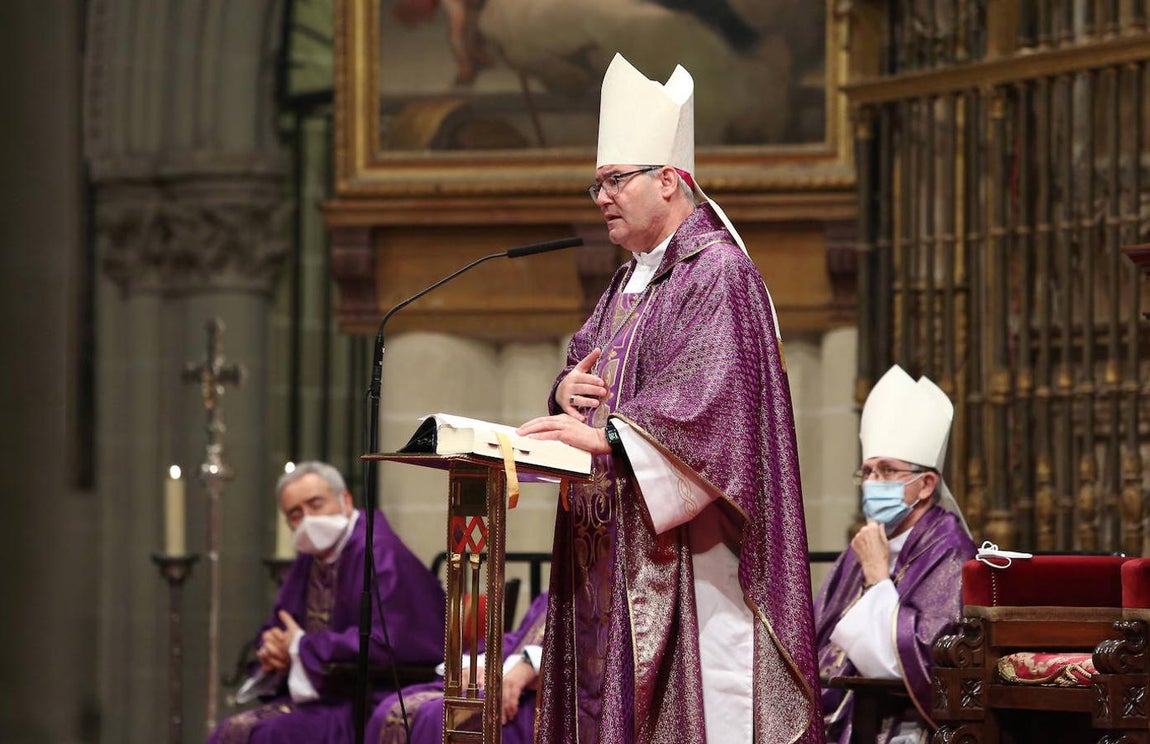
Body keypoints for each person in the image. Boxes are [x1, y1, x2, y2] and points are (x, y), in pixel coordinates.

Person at [515, 53, 824, 743]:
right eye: (596, 183)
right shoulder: (631, 282)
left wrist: (613, 437)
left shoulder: (717, 273)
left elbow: (717, 403)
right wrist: (566, 391)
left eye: (615, 180)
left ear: (669, 179)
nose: (601, 197)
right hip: (610, 547)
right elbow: (587, 363)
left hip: (690, 555)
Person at [208, 461, 447, 744]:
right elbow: (281, 624)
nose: (307, 519)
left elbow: (387, 642)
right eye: (295, 514)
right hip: (326, 694)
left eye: (315, 504)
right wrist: (271, 648)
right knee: (234, 730)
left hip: (367, 698)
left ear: (345, 500)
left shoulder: (379, 553)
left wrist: (299, 648)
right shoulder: (312, 556)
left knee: (267, 735)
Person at [813, 365, 977, 744]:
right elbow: (819, 639)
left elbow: (909, 661)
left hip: (904, 727)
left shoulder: (950, 551)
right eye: (868, 471)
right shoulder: (870, 544)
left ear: (925, 485)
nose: (872, 483)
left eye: (887, 471)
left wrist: (876, 576)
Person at [366, 590, 550, 744]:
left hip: (545, 701)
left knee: (446, 716)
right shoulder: (553, 592)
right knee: (394, 708)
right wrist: (475, 665)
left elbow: (575, 656)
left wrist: (529, 666)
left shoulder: (577, 590)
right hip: (508, 679)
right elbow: (517, 640)